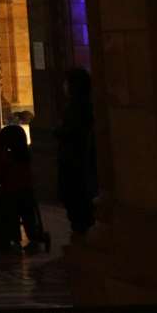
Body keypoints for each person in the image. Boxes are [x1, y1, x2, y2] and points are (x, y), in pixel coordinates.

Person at [55, 67, 98, 239]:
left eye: (67, 83)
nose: (64, 86)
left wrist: (58, 131)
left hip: (74, 160)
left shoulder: (77, 107)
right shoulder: (82, 105)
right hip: (75, 159)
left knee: (76, 196)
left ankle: (81, 232)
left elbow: (73, 131)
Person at [0, 124, 40, 253]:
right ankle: (34, 239)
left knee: (12, 217)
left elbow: (0, 173)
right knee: (29, 217)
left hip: (11, 192)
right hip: (27, 191)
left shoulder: (7, 157)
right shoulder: (26, 155)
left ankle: (14, 241)